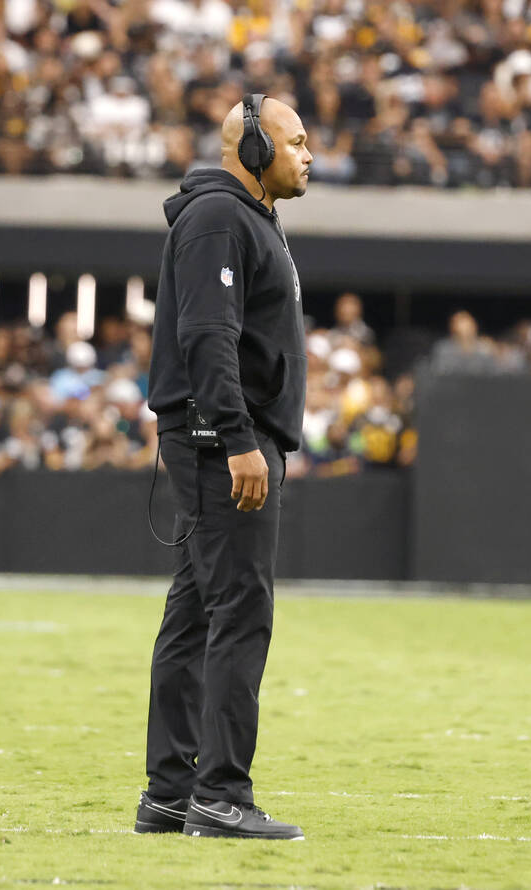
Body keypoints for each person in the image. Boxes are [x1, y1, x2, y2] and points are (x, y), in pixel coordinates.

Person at [139, 94, 311, 841]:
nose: (310, 156)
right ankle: (221, 795)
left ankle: (172, 793)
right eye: (296, 142)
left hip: (219, 439)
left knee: (197, 610)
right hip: (221, 444)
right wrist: (239, 438)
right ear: (252, 149)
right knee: (241, 610)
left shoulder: (245, 219)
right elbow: (208, 334)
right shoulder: (220, 218)